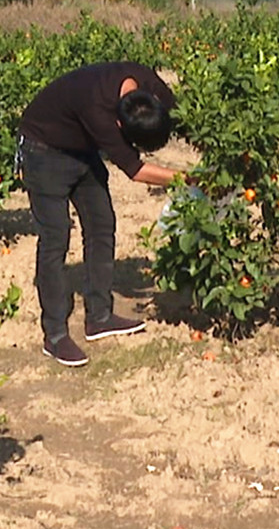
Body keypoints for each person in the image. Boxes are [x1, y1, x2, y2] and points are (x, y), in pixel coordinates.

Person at [16, 62, 188, 368]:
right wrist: (188, 180)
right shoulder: (99, 112)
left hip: (82, 149)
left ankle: (99, 317)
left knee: (101, 225)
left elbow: (185, 115)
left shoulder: (146, 81)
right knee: (56, 238)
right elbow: (135, 170)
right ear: (120, 128)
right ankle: (54, 335)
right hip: (43, 150)